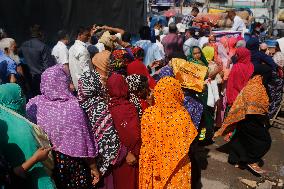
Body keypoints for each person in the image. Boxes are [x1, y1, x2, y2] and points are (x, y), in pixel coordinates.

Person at [26, 65, 100, 189]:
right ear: (63, 81)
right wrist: (93, 167)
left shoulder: (34, 104)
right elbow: (84, 139)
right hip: (73, 163)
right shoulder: (74, 106)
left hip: (45, 162)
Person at [139, 77, 198, 189]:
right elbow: (190, 143)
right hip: (177, 166)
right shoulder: (182, 116)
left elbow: (146, 142)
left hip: (153, 165)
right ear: (176, 92)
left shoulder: (148, 114)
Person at [77, 51, 124, 188]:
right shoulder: (101, 106)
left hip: (89, 160)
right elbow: (109, 136)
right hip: (106, 161)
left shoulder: (79, 106)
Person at [0, 83, 55, 189]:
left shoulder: (3, 123)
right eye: (21, 96)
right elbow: (38, 172)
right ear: (13, 101)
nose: (24, 98)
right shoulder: (22, 128)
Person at [215, 74, 271, 175]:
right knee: (265, 141)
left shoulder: (247, 87)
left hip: (242, 118)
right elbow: (262, 106)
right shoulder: (259, 89)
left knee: (239, 139)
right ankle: (250, 160)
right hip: (252, 120)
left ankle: (234, 159)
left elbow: (240, 102)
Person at [107, 73, 141, 189]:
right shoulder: (129, 107)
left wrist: (124, 152)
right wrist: (132, 152)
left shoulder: (107, 108)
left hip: (119, 158)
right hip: (134, 157)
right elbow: (134, 134)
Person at [20, 24, 55, 97]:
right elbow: (48, 66)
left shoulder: (23, 45)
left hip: (29, 79)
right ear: (40, 33)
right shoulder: (43, 46)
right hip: (41, 79)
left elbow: (20, 60)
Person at [69, 26, 91, 91]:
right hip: (85, 85)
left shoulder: (71, 48)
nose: (89, 37)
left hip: (76, 83)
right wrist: (91, 83)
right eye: (87, 35)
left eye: (89, 35)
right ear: (79, 35)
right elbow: (85, 68)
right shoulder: (82, 49)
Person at [268, 42, 284, 118]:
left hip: (275, 77)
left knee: (272, 95)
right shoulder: (282, 54)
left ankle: (271, 113)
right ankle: (276, 110)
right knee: (278, 94)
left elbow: (274, 66)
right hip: (281, 77)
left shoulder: (276, 55)